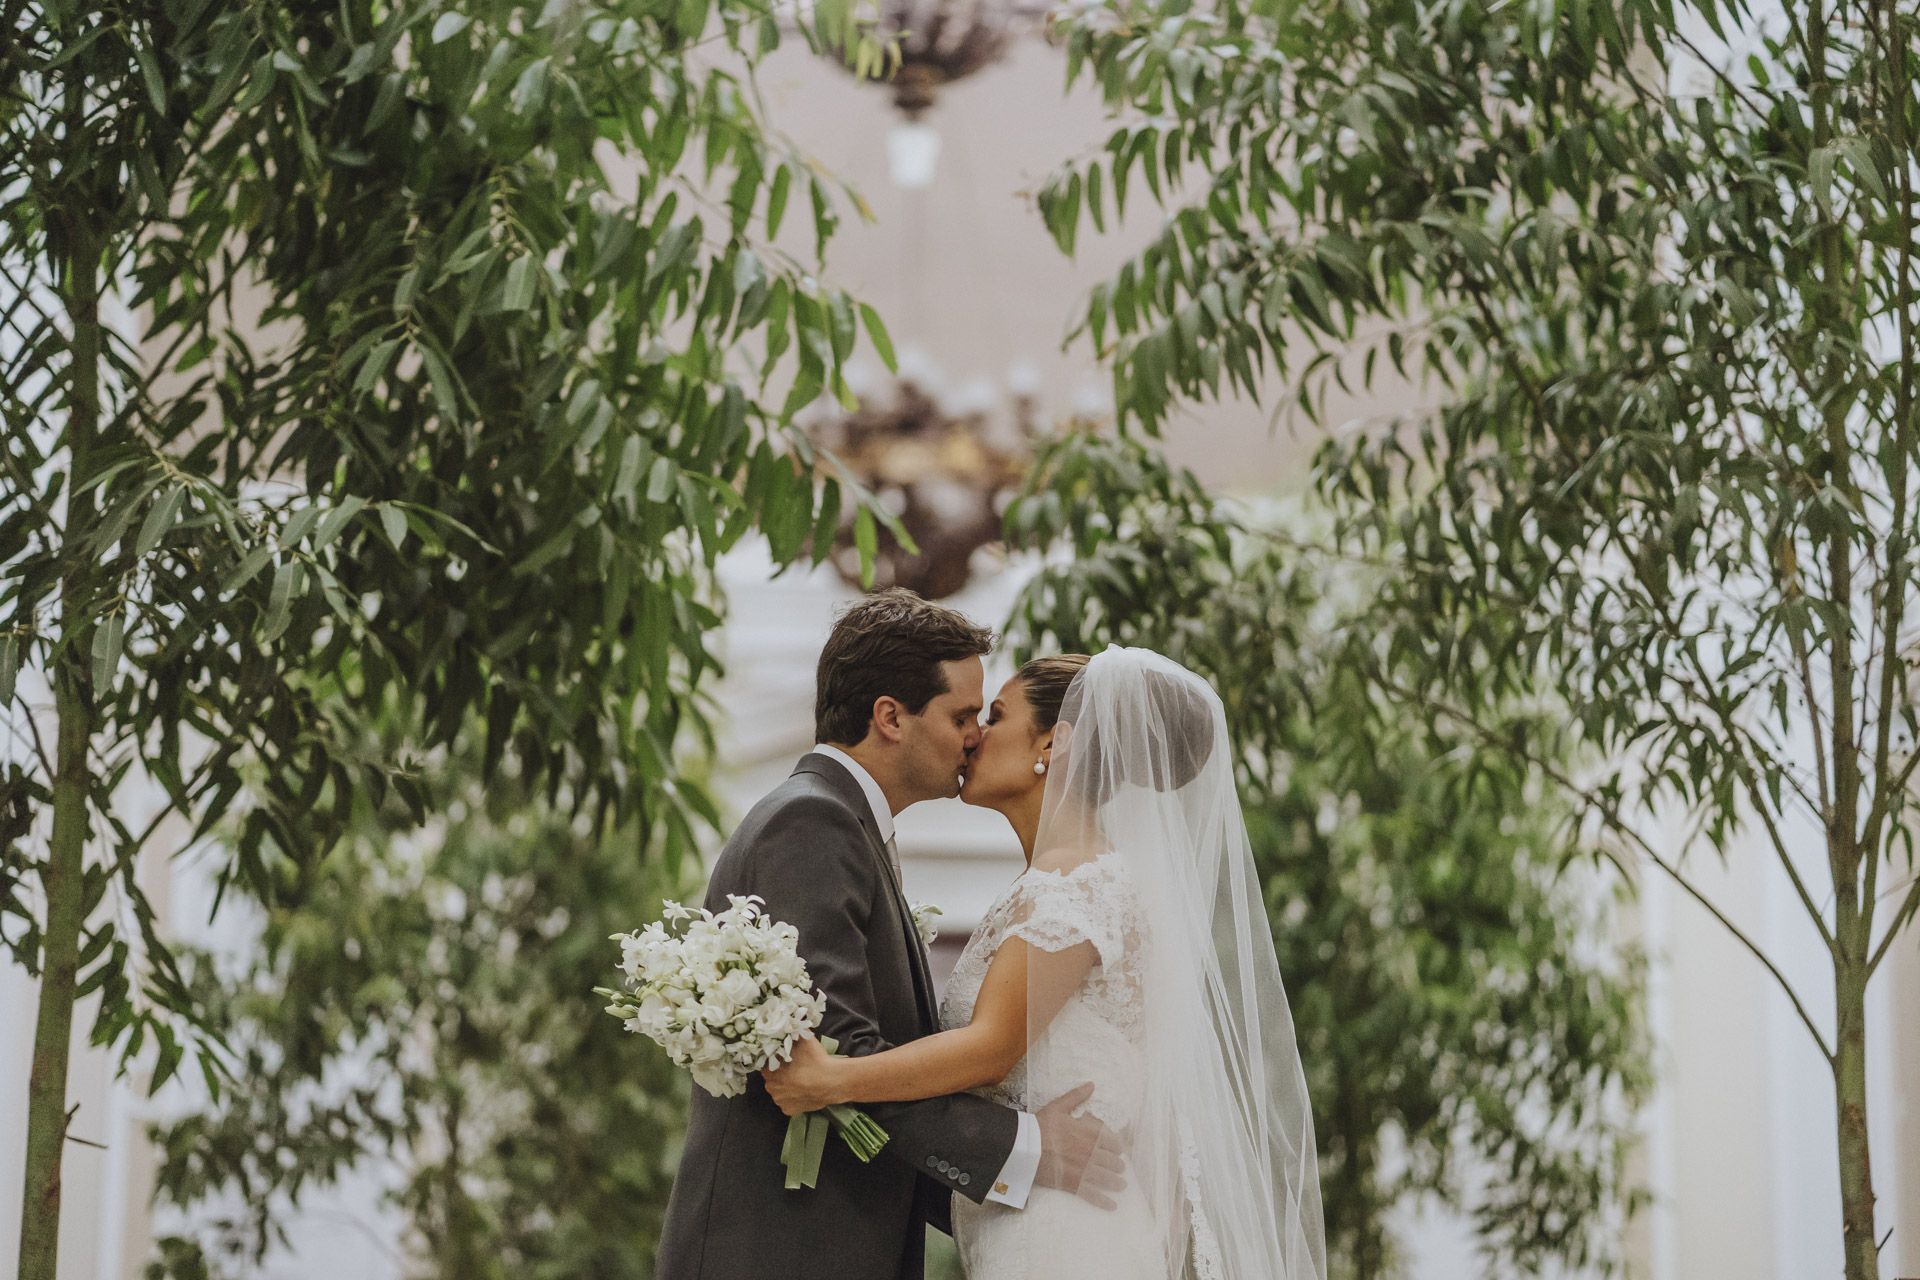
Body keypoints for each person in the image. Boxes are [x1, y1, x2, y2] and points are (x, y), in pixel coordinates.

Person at [766, 645, 1326, 1279]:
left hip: (1065, 1236)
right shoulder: (1063, 880)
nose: (974, 736)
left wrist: (831, 1080)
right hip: (1040, 1217)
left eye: (996, 716)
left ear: (1054, 744)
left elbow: (990, 1048)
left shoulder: (1077, 885)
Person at [654, 590, 1125, 1280]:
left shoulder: (844, 825)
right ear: (890, 717)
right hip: (778, 1252)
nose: (974, 736)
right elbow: (835, 1052)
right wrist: (1025, 1150)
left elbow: (847, 1072)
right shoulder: (812, 824)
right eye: (963, 715)